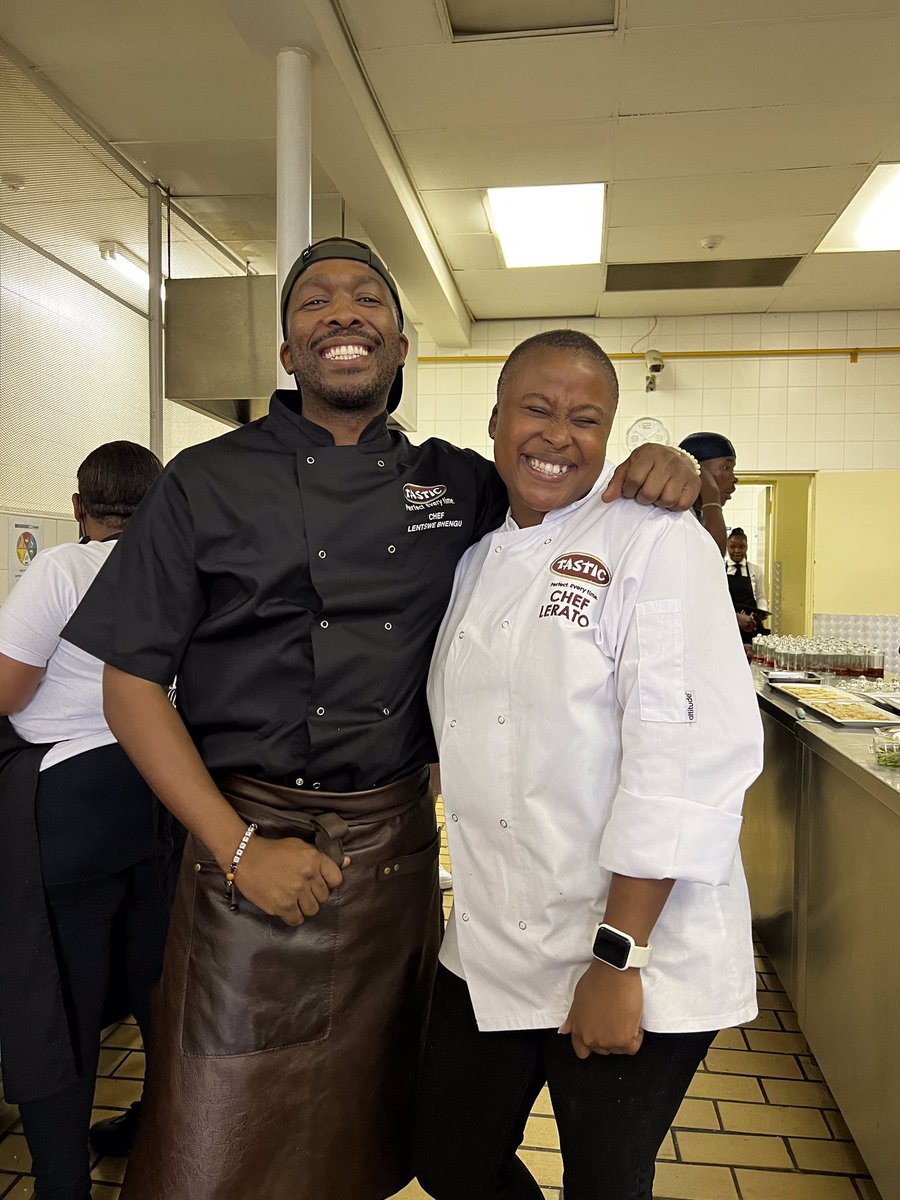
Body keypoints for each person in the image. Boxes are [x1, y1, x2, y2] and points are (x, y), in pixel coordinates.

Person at [62, 239, 704, 1200]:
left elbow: (565, 495)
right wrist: (239, 849)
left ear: (401, 346)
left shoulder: (462, 483)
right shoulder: (203, 481)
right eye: (315, 301)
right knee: (210, 1141)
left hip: (393, 864)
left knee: (373, 1138)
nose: (343, 312)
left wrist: (663, 468)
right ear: (287, 351)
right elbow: (131, 686)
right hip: (243, 856)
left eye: (367, 298)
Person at [416, 330, 763, 1200]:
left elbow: (683, 757)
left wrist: (619, 961)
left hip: (641, 948)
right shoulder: (470, 559)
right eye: (536, 408)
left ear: (609, 437)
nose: (557, 434)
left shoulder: (654, 539)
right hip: (498, 934)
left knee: (606, 1181)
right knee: (449, 1158)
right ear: (494, 419)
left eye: (586, 418)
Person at [0, 442, 173, 1200]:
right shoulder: (179, 573)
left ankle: (61, 1184)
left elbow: (7, 691)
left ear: (79, 508)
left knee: (58, 1001)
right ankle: (157, 1131)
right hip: (162, 795)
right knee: (155, 985)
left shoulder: (61, 569)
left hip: (70, 805)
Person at [678, 430, 739, 556]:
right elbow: (712, 556)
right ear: (696, 468)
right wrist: (712, 496)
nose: (734, 478)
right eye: (726, 468)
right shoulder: (672, 515)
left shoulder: (698, 514)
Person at [726, 527, 769, 646]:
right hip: (729, 623)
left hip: (752, 624)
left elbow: (760, 597)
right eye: (733, 547)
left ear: (747, 547)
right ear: (727, 547)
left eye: (741, 547)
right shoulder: (720, 569)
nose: (737, 550)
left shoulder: (756, 570)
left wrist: (762, 612)